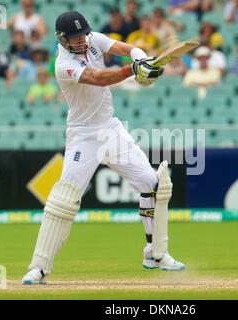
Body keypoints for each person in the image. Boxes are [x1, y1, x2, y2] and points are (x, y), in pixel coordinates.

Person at [21, 11, 184, 285]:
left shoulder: (91, 38)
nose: (82, 40)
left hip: (110, 128)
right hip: (83, 136)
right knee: (64, 199)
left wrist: (140, 58)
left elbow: (125, 47)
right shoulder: (62, 64)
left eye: (83, 34)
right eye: (75, 37)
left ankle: (155, 254)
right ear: (63, 39)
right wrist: (133, 72)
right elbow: (98, 78)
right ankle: (38, 267)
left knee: (151, 182)